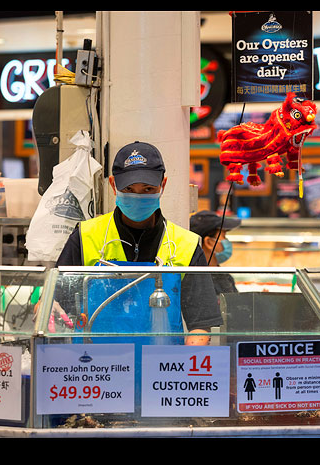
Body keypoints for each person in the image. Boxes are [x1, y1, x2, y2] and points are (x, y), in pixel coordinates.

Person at [56, 141, 222, 345]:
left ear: (163, 185)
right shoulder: (85, 236)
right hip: (98, 369)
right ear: (113, 185)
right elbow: (57, 302)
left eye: (147, 189)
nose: (137, 196)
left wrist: (186, 366)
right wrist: (49, 308)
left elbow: (201, 323)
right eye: (129, 188)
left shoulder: (185, 245)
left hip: (162, 368)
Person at [189, 210, 241, 294]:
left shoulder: (223, 276)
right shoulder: (198, 283)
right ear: (209, 242)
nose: (227, 241)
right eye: (223, 236)